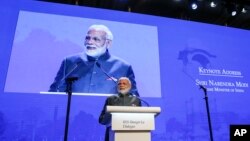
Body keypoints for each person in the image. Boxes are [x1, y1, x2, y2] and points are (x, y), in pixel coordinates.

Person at [49, 24, 139, 95]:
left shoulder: (123, 67)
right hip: (71, 115)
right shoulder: (69, 61)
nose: (90, 42)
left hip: (107, 117)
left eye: (96, 39)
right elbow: (54, 92)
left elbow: (133, 99)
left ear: (108, 43)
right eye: (87, 38)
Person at [99, 77, 141, 141]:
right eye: (119, 84)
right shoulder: (111, 99)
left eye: (124, 83)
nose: (121, 85)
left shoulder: (136, 100)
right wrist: (108, 116)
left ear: (130, 86)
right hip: (113, 134)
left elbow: (141, 118)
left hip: (131, 133)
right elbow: (101, 119)